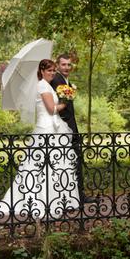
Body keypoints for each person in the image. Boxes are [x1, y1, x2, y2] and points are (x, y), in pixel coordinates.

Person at [0, 59, 79, 218]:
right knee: (43, 166)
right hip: (47, 129)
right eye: (49, 70)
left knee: (55, 165)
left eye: (53, 70)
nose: (52, 73)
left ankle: (59, 199)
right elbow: (51, 109)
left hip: (54, 128)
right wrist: (66, 100)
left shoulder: (47, 85)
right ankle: (45, 201)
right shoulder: (42, 85)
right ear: (42, 71)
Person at [49, 53, 98, 205]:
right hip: (63, 129)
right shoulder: (56, 81)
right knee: (70, 163)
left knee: (73, 162)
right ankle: (75, 196)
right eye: (63, 64)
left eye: (69, 64)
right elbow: (57, 107)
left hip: (70, 128)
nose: (67, 67)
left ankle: (75, 195)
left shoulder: (66, 82)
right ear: (57, 66)